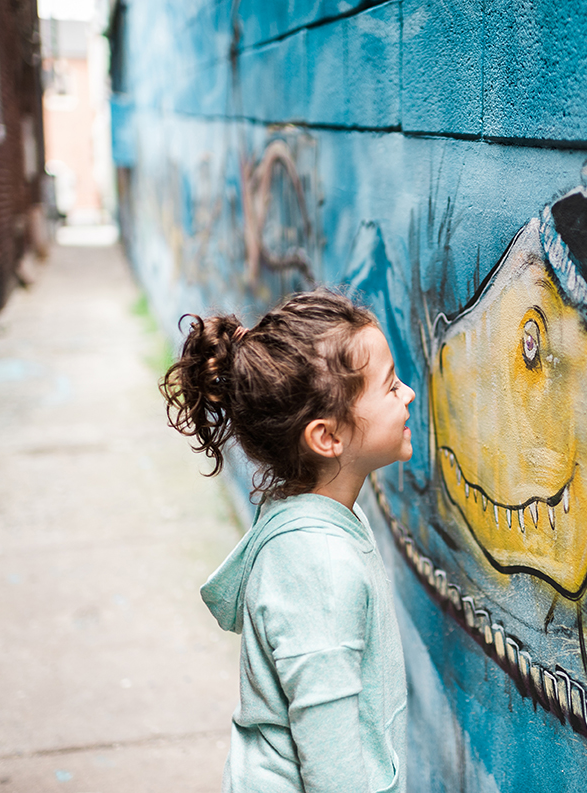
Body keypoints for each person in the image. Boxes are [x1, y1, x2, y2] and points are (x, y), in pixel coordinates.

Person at [160, 289, 413, 793]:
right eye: (389, 387)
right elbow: (333, 765)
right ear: (327, 437)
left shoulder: (323, 519)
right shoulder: (319, 566)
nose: (406, 394)